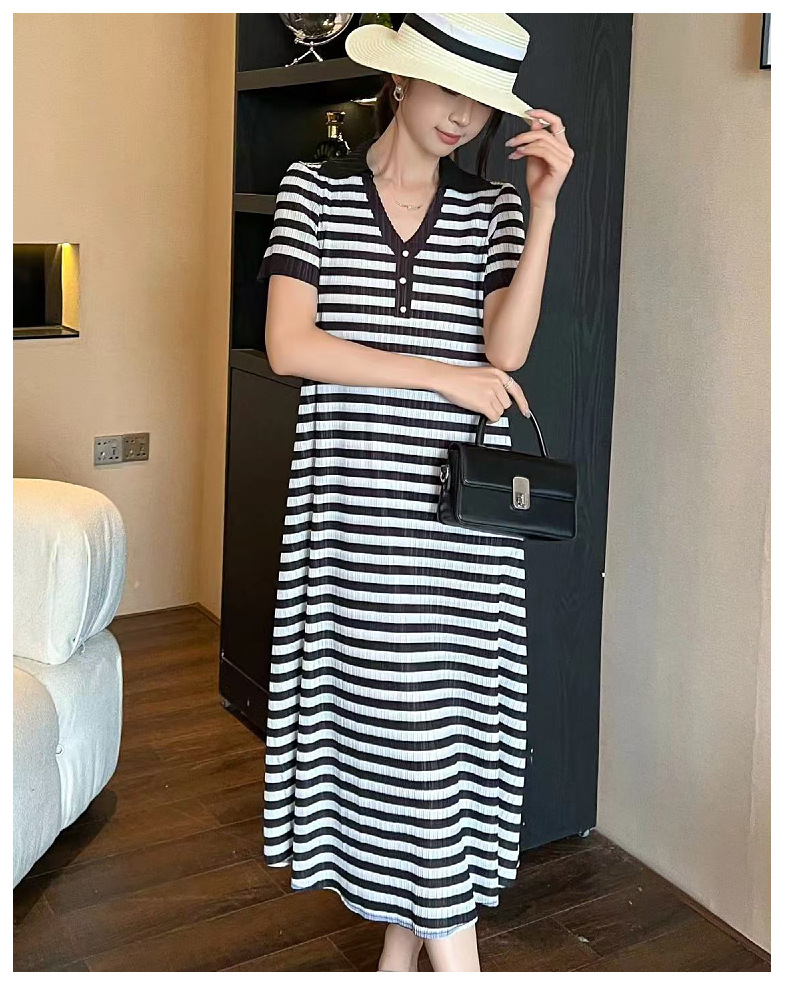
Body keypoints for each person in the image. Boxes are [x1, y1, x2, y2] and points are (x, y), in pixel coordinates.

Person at [256, 13, 574, 973]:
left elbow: (507, 349)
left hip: (460, 518)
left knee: (443, 734)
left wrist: (544, 209)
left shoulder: (494, 211)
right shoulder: (314, 189)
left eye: (481, 101)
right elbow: (290, 346)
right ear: (401, 80)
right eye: (448, 89)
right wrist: (441, 376)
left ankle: (402, 956)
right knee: (397, 728)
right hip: (355, 505)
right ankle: (453, 956)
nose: (463, 116)